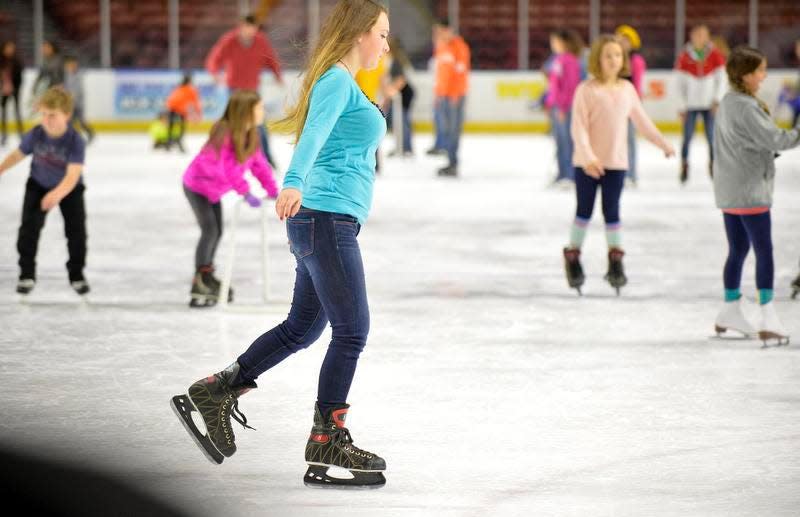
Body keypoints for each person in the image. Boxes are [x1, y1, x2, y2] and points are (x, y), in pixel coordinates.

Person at [171, 0, 389, 489]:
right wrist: (291, 181)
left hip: (328, 221)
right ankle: (326, 437)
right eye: (382, 33)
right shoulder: (336, 79)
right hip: (324, 218)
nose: (386, 43)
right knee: (352, 331)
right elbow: (311, 136)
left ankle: (218, 390)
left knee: (301, 329)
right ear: (359, 34)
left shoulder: (346, 82)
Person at [563, 35, 675, 296]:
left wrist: (662, 143)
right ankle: (573, 257)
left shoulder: (627, 90)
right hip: (586, 164)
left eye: (618, 55)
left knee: (612, 212)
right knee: (584, 211)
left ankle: (615, 262)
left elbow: (642, 121)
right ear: (597, 60)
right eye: (608, 55)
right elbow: (578, 129)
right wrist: (588, 156)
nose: (614, 60)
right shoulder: (586, 90)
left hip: (616, 163)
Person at [711, 46, 800, 346]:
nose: (764, 76)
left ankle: (730, 308)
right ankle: (768, 315)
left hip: (730, 190)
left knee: (737, 250)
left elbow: (746, 143)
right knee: (764, 250)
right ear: (746, 75)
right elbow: (775, 138)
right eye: (760, 70)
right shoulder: (747, 107)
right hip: (750, 192)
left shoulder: (729, 102)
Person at [181, 90, 278, 307]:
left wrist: (272, 190)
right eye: (259, 108)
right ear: (246, 111)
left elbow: (259, 165)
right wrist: (245, 192)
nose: (263, 112)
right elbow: (227, 168)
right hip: (197, 186)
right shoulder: (223, 132)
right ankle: (200, 280)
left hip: (213, 191)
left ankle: (206, 274)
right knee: (210, 230)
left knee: (217, 231)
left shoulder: (252, 134)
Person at [0, 87, 88, 295]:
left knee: (76, 234)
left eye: (52, 115)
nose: (46, 120)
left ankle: (76, 275)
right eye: (44, 115)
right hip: (38, 185)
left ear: (66, 115)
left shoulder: (76, 141)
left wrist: (56, 194)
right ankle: (26, 274)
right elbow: (17, 155)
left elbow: (73, 175)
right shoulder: (36, 134)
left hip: (69, 190)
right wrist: (2, 168)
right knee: (28, 231)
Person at [205, 14, 283, 168]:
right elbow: (215, 57)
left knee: (259, 125)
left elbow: (271, 58)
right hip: (233, 89)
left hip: (253, 89)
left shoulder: (260, 41)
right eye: (247, 28)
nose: (250, 32)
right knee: (230, 124)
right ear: (241, 26)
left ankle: (267, 158)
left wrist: (277, 74)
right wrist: (214, 72)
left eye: (253, 29)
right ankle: (219, 157)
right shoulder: (229, 40)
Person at [675, 24, 726, 184]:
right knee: (687, 137)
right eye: (697, 34)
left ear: (707, 37)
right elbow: (678, 83)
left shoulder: (715, 54)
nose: (700, 38)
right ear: (692, 36)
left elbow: (722, 79)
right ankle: (684, 164)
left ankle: (713, 165)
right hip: (690, 105)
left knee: (711, 138)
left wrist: (717, 100)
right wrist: (681, 106)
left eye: (703, 35)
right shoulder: (684, 56)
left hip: (709, 105)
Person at [433, 18, 470, 177]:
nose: (439, 35)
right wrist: (437, 94)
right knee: (446, 130)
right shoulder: (442, 47)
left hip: (455, 96)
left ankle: (453, 163)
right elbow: (440, 73)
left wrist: (455, 94)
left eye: (442, 31)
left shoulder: (460, 48)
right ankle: (449, 160)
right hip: (443, 95)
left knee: (453, 130)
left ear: (449, 30)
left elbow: (461, 73)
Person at [545, 29, 583, 186]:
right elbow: (554, 85)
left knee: (567, 141)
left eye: (555, 41)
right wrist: (549, 102)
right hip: (556, 106)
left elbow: (570, 86)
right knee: (559, 141)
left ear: (564, 42)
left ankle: (570, 174)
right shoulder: (558, 60)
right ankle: (562, 173)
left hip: (565, 107)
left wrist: (563, 106)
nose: (553, 45)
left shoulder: (570, 60)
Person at [615, 25, 646, 187]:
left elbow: (637, 85)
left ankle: (631, 174)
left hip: (629, 104)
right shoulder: (616, 58)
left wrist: (633, 106)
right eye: (620, 39)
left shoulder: (636, 60)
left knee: (629, 140)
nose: (623, 42)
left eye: (626, 40)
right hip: (614, 104)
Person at [382, 37, 415, 157]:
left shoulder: (397, 61)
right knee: (398, 121)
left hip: (404, 94)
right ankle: (401, 146)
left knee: (403, 121)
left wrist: (390, 92)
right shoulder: (393, 60)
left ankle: (406, 148)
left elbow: (401, 80)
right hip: (400, 94)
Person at [165, 73, 202, 153]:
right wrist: (198, 113)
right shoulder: (191, 90)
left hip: (172, 108)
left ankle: (169, 142)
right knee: (182, 127)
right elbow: (196, 102)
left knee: (171, 126)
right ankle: (178, 141)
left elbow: (171, 99)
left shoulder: (178, 88)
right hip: (180, 109)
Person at [63, 56, 95, 144]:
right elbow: (67, 87)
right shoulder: (67, 75)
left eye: (71, 65)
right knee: (69, 122)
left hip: (78, 103)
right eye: (68, 65)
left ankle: (90, 133)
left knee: (81, 121)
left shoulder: (79, 75)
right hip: (70, 103)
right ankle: (72, 138)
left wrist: (72, 97)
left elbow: (78, 90)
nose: (69, 67)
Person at [0, 40, 24, 147]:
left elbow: (20, 76)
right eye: (7, 48)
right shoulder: (1, 61)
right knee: (4, 112)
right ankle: (4, 134)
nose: (9, 50)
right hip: (4, 90)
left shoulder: (16, 61)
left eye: (11, 48)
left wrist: (16, 88)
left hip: (15, 89)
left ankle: (21, 133)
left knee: (17, 111)